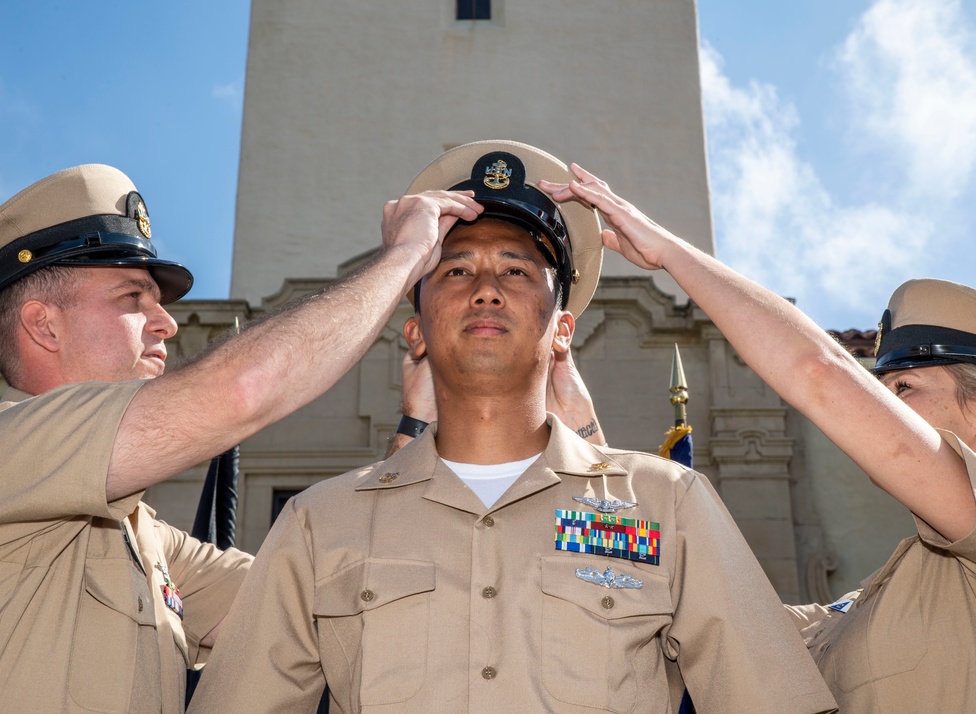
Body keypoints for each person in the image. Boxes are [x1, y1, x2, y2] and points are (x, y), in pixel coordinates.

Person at [188, 140, 836, 714]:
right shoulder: (320, 525)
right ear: (414, 328)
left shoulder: (666, 507)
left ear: (562, 329)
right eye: (457, 269)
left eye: (518, 270)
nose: (487, 288)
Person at [0, 163, 477, 712]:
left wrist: (415, 427)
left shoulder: (143, 535)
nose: (166, 323)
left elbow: (339, 602)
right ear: (44, 325)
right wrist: (406, 258)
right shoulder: (15, 446)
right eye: (132, 297)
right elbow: (244, 390)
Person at [539, 165, 976, 711]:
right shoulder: (877, 598)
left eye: (904, 385)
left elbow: (819, 372)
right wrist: (589, 441)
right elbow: (690, 610)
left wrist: (670, 254)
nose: (886, 406)